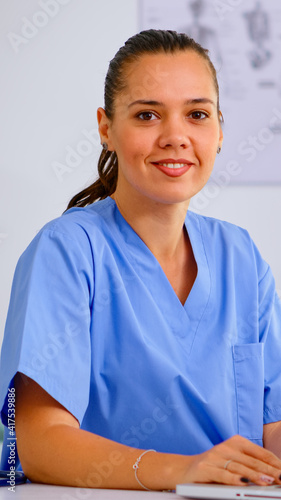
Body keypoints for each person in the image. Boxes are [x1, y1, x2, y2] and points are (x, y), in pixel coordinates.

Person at [1, 29, 281, 491]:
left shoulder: (241, 257)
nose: (176, 137)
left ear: (220, 132)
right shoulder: (68, 252)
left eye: (197, 114)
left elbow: (273, 426)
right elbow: (38, 442)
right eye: (148, 114)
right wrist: (181, 471)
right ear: (106, 128)